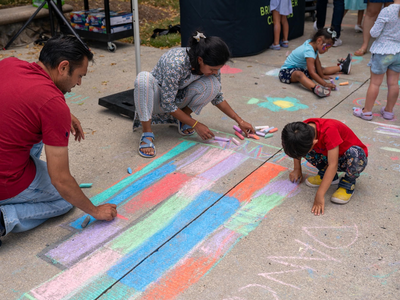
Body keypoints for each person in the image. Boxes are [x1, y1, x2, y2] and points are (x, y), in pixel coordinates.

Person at [0, 35, 117, 246]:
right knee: (65, 199)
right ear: (63, 67)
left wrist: (63, 116)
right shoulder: (52, 104)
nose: (79, 83)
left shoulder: (9, 64)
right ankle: (4, 218)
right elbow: (61, 180)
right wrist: (95, 210)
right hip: (5, 181)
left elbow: (22, 100)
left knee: (32, 129)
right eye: (79, 75)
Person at [133, 31, 254, 158]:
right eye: (212, 69)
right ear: (200, 60)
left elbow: (217, 97)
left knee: (213, 85)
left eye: (218, 69)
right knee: (143, 79)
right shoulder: (175, 64)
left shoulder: (211, 66)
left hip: (178, 100)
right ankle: (147, 132)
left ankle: (182, 118)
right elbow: (167, 103)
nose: (215, 72)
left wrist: (239, 121)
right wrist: (196, 124)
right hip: (157, 100)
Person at [281, 119, 368, 216]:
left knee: (355, 154)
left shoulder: (329, 131)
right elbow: (295, 148)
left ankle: (348, 182)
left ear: (314, 142)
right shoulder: (300, 130)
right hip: (329, 155)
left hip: (348, 160)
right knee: (303, 150)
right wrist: (297, 169)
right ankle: (330, 177)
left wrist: (320, 194)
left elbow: (333, 165)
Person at [353, 1, 400, 120]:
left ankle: (367, 111)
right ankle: (389, 111)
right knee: (394, 83)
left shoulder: (388, 10)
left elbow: (374, 33)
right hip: (398, 52)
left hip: (382, 51)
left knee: (375, 83)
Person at [279, 28, 352, 98]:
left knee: (319, 69)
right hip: (286, 72)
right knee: (299, 74)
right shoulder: (309, 51)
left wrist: (322, 76)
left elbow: (317, 62)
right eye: (326, 47)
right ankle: (316, 89)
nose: (326, 50)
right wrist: (325, 84)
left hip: (300, 69)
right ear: (319, 40)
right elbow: (312, 73)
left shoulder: (313, 45)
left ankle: (342, 67)